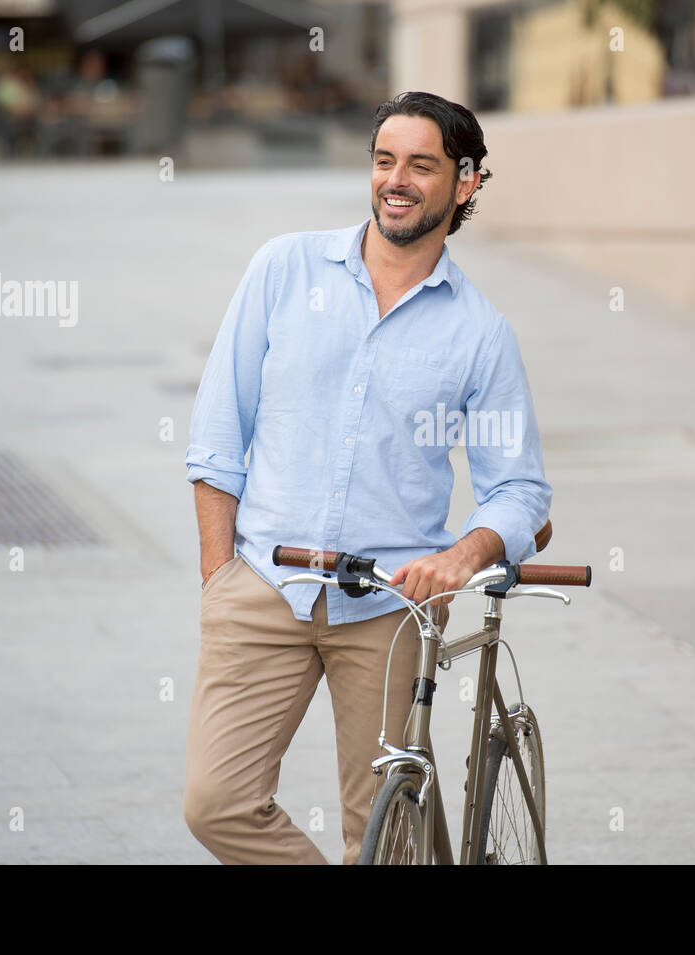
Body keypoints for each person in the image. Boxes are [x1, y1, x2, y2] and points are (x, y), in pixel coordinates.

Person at [182, 91, 552, 865]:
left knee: (381, 838)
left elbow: (519, 489)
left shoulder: (479, 334)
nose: (397, 180)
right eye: (385, 161)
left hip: (391, 607)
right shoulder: (284, 268)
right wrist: (219, 577)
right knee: (217, 804)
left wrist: (461, 556)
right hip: (263, 582)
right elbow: (219, 434)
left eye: (422, 165)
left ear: (466, 183)